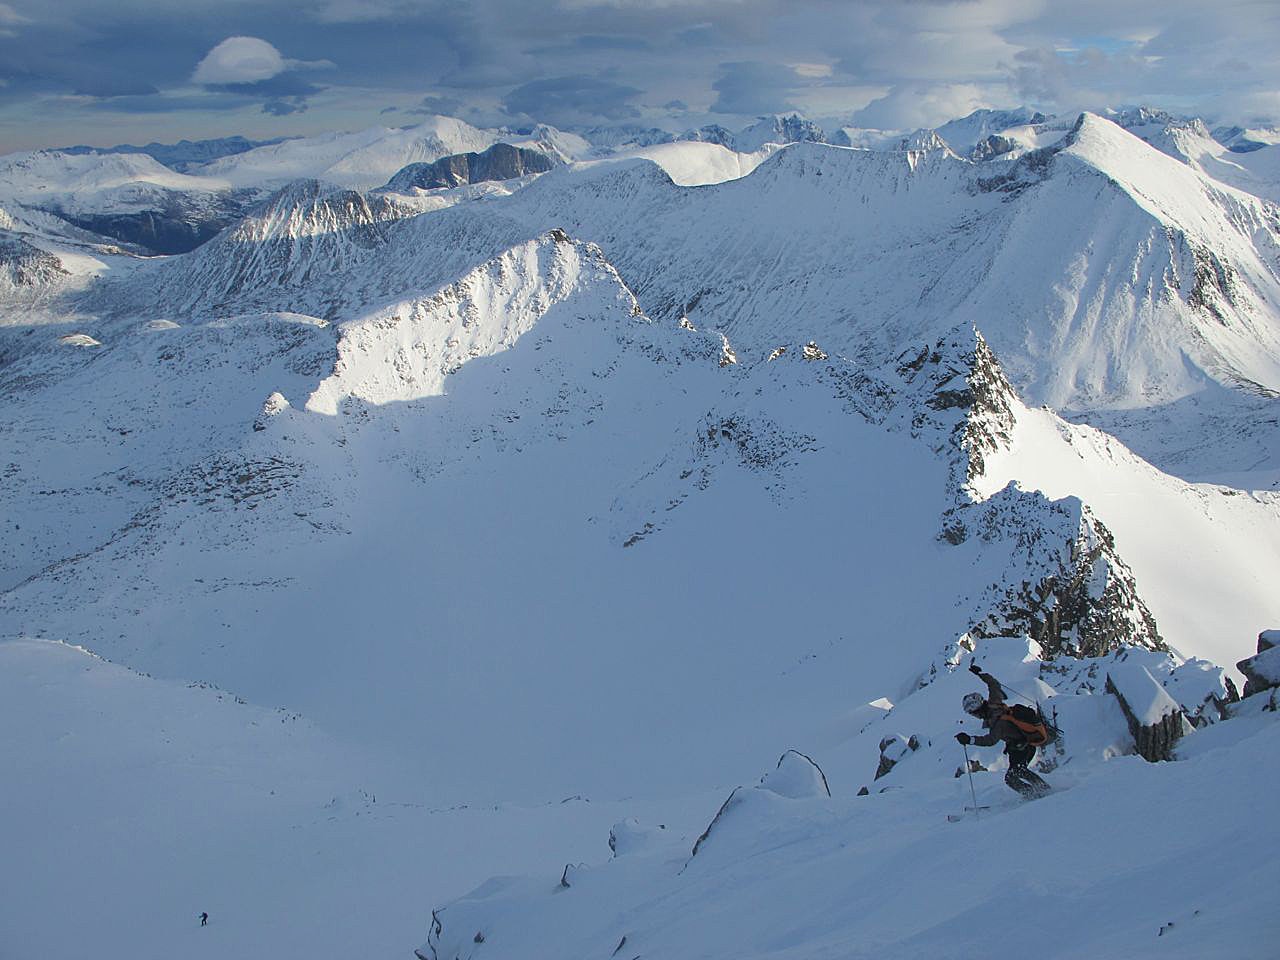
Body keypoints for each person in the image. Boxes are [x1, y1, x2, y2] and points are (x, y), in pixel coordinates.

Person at [955, 662, 1051, 799]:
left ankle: (1039, 794)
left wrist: (969, 739)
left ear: (977, 710)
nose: (973, 715)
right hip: (1020, 746)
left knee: (1012, 777)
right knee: (1019, 772)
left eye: (972, 713)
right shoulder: (995, 704)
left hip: (1021, 746)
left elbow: (990, 740)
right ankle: (1040, 792)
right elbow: (994, 685)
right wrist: (981, 674)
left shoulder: (996, 721)